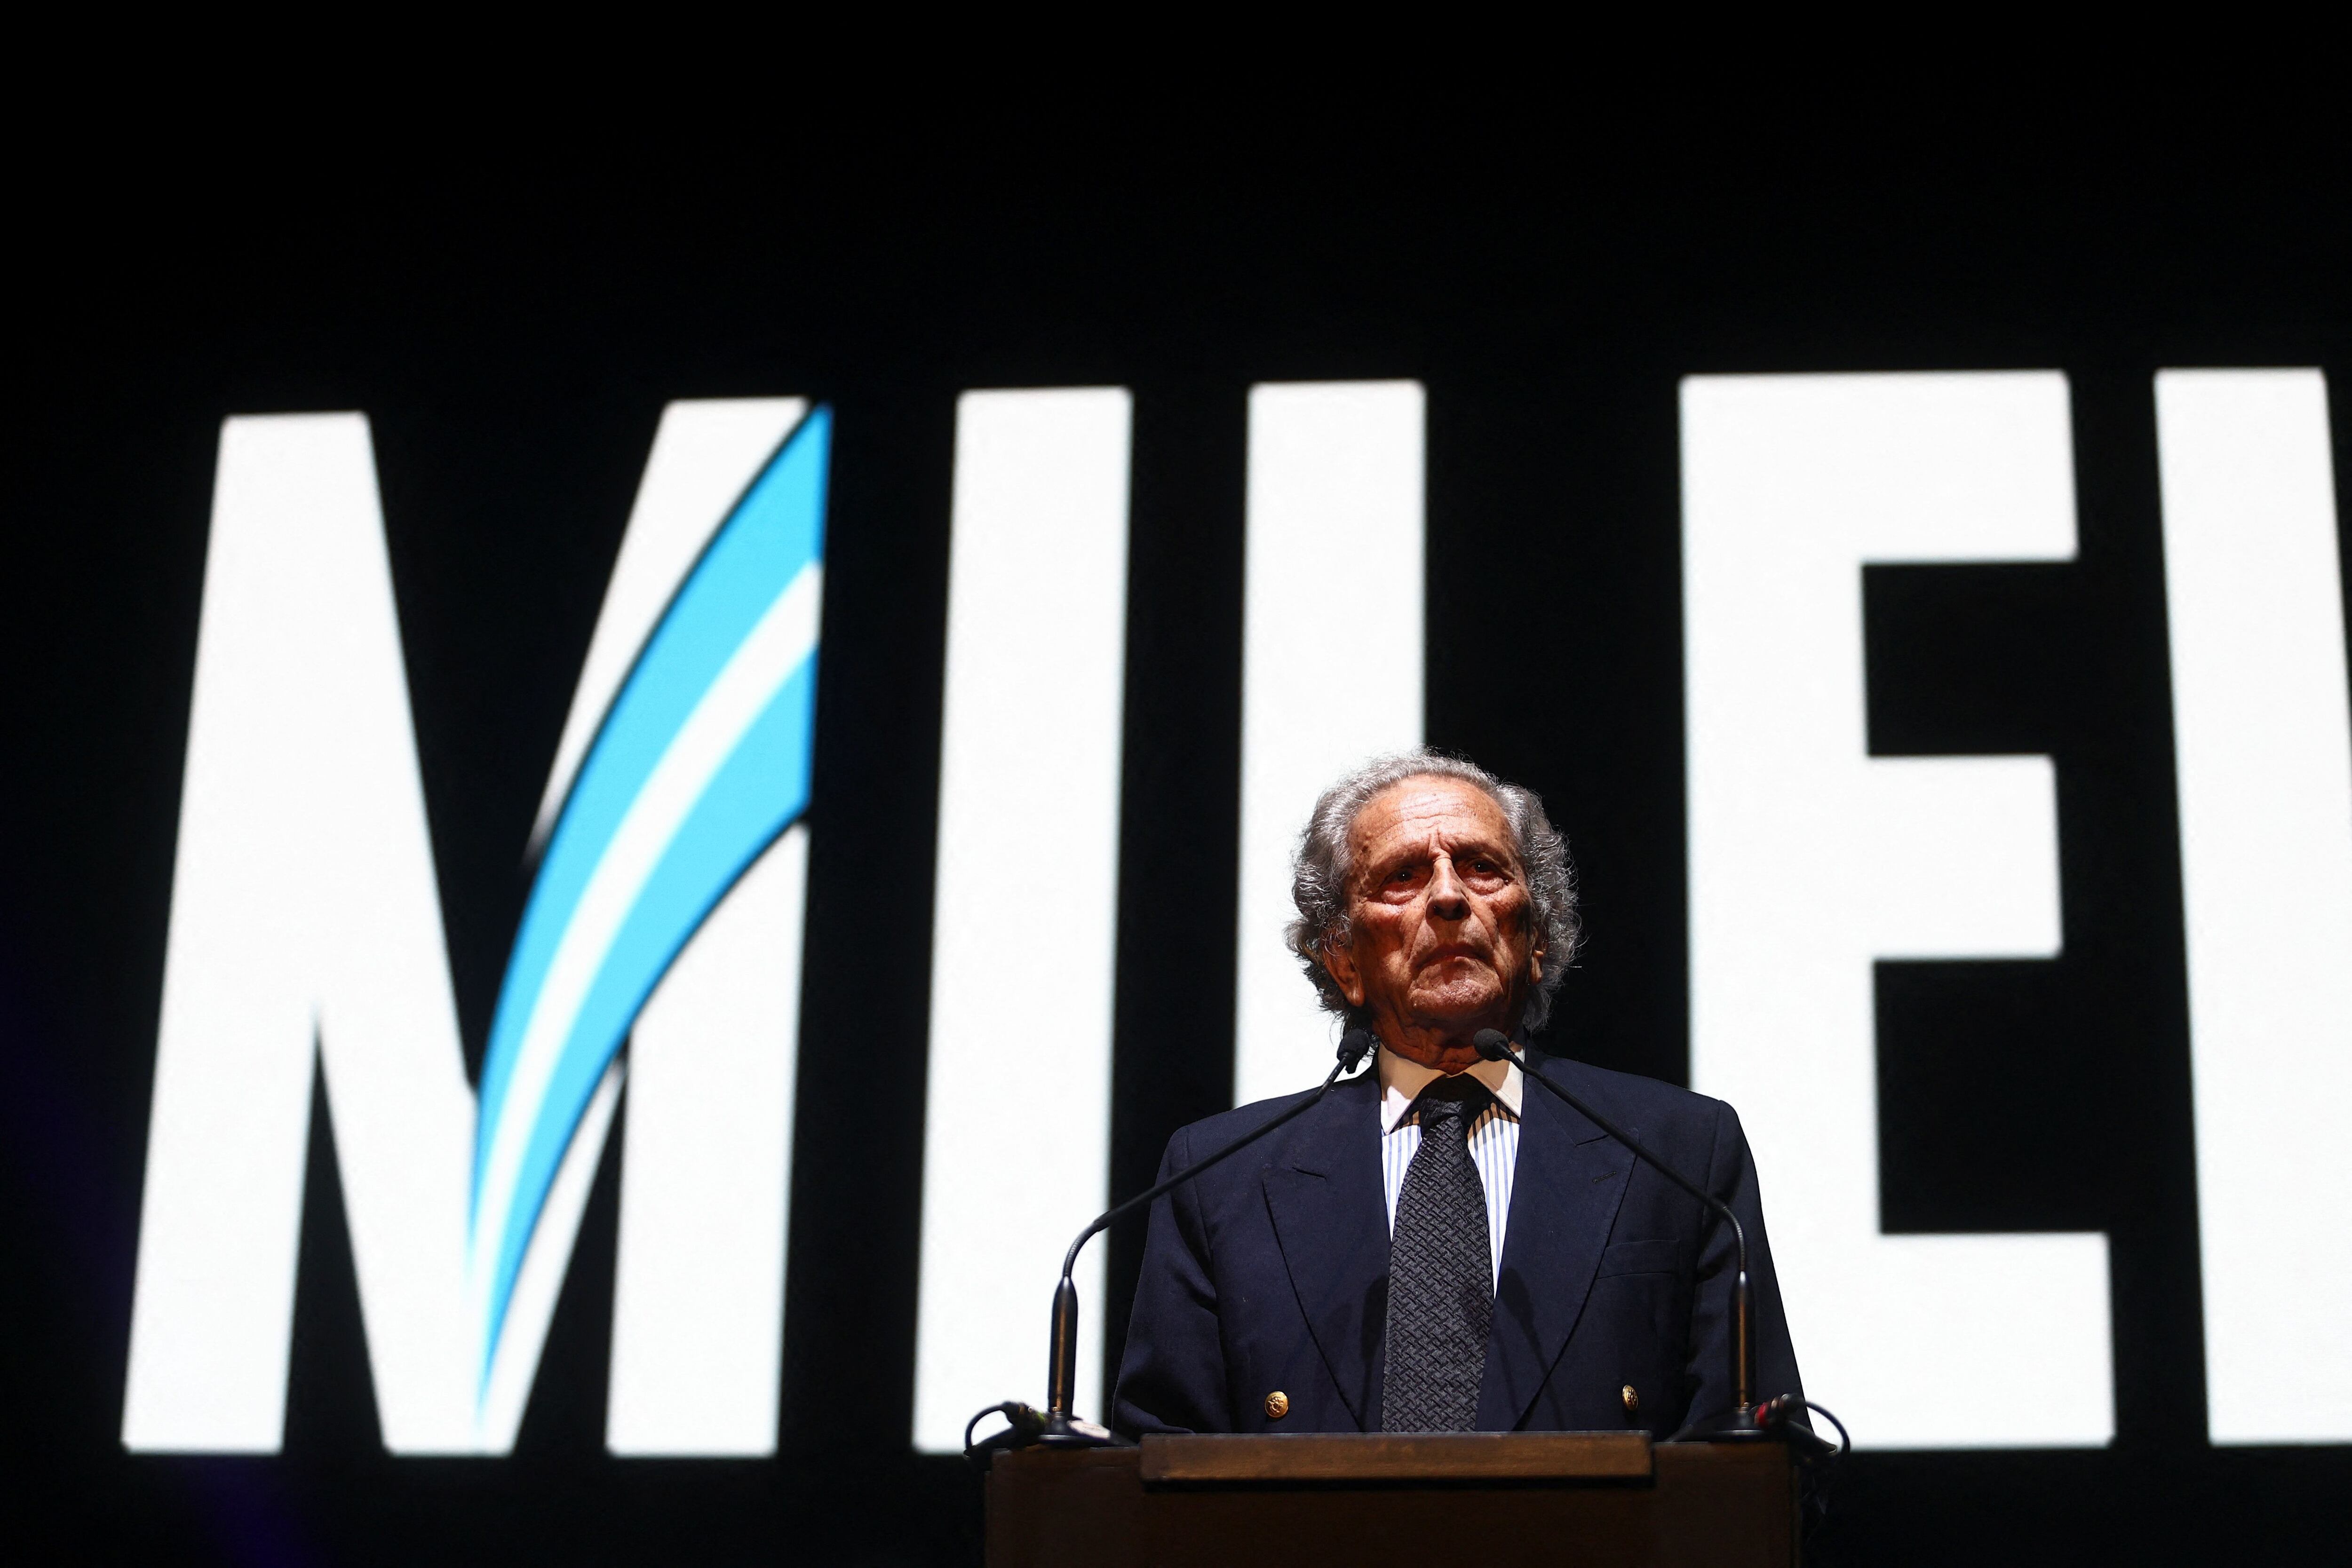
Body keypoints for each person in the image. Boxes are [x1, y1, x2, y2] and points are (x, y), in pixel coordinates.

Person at [1111, 750, 1803, 1436]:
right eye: (1403, 876)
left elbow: (1758, 1464)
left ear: (1535, 936)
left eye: (1483, 868)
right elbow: (1161, 1472)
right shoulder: (1223, 1177)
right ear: (1344, 959)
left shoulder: (1677, 1155)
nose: (1449, 896)